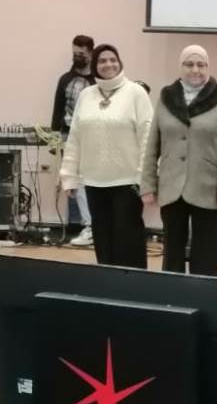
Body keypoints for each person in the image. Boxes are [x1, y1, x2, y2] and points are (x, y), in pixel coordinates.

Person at [141, 45, 217, 276]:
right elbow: (152, 144)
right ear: (181, 67)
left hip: (208, 188)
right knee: (172, 252)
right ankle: (172, 294)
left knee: (205, 253)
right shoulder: (166, 98)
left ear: (208, 67)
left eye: (201, 65)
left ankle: (203, 294)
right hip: (171, 186)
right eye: (189, 64)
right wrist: (148, 184)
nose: (195, 69)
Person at [60, 44, 153, 268]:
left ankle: (134, 285)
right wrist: (68, 176)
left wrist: (146, 179)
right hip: (94, 182)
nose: (108, 64)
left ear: (120, 63)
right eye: (102, 61)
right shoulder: (86, 95)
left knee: (128, 241)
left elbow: (148, 138)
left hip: (128, 182)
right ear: (95, 65)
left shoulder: (135, 93)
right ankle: (107, 284)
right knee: (103, 241)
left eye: (113, 59)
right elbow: (75, 138)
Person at [51, 34, 95, 247]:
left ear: (91, 54)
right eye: (75, 53)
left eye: (82, 54)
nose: (78, 57)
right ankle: (83, 226)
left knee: (90, 181)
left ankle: (94, 225)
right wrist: (54, 140)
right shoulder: (65, 80)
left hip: (93, 136)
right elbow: (57, 108)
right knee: (73, 182)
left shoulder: (98, 80)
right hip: (69, 135)